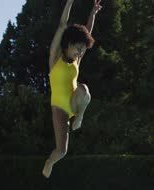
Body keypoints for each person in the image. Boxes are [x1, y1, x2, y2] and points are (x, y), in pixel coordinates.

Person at [42, 0, 102, 178]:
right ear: (68, 44)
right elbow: (62, 24)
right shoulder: (54, 59)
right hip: (59, 108)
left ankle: (79, 117)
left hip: (75, 103)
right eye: (78, 49)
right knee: (61, 151)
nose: (80, 53)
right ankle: (49, 162)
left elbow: (87, 32)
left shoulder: (77, 61)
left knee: (84, 89)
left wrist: (93, 13)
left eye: (83, 50)